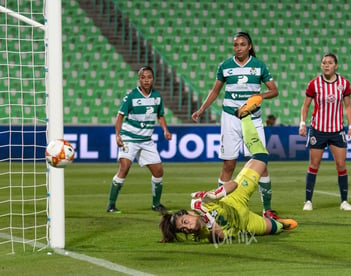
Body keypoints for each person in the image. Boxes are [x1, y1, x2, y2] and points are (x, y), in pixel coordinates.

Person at [160, 96, 297, 243]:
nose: (188, 228)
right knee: (277, 228)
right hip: (245, 224)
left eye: (185, 222)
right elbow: (221, 236)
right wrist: (206, 216)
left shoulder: (203, 203)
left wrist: (214, 195)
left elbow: (234, 185)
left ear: (189, 213)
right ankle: (277, 221)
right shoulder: (201, 236)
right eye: (184, 230)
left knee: (262, 157)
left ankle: (244, 116)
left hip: (236, 199)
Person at [191, 31, 280, 220]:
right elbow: (215, 91)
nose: (238, 48)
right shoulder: (225, 66)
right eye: (235, 45)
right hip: (230, 118)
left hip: (252, 118)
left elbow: (274, 91)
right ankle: (219, 207)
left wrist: (259, 97)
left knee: (261, 164)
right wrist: (201, 109)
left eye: (242, 44)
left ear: (249, 47)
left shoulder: (258, 66)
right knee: (229, 164)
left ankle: (267, 209)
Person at [106, 66, 172, 213]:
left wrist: (165, 130)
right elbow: (120, 116)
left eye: (149, 77)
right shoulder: (131, 96)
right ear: (139, 79)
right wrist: (117, 135)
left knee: (159, 172)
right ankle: (111, 205)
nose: (146, 80)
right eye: (143, 77)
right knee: (124, 168)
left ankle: (156, 204)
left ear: (153, 79)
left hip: (146, 140)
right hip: (129, 138)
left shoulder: (157, 97)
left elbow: (160, 116)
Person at [298, 53, 351, 211]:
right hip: (318, 130)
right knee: (314, 164)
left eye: (330, 63)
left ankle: (344, 202)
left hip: (337, 131)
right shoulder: (314, 84)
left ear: (336, 65)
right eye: (324, 63)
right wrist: (303, 123)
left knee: (341, 164)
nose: (326, 65)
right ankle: (308, 201)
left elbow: (348, 106)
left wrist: (350, 127)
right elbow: (306, 106)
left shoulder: (344, 83)